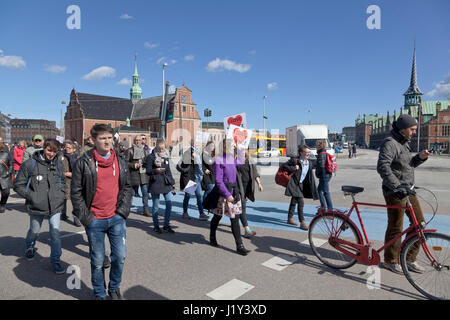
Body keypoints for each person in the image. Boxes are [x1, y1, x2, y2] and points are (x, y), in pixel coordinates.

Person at [71, 124, 132, 300]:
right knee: (98, 262)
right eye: (102, 138)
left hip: (116, 217)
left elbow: (127, 187)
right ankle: (99, 293)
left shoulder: (120, 160)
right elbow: (76, 192)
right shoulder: (83, 162)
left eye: (109, 137)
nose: (107, 141)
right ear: (93, 140)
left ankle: (114, 287)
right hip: (94, 220)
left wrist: (123, 211)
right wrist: (86, 217)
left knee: (119, 257)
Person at [377, 114, 429, 274]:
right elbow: (382, 167)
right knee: (396, 226)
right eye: (412, 129)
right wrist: (397, 186)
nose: (414, 132)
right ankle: (390, 260)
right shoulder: (390, 143)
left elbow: (407, 165)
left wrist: (419, 158)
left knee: (420, 224)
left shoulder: (404, 143)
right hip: (394, 191)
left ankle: (409, 258)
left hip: (408, 189)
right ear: (403, 129)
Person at [14, 139, 66, 274]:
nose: (51, 154)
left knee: (55, 234)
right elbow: (18, 185)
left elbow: (62, 181)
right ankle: (30, 246)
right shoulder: (29, 164)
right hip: (36, 206)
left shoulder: (59, 163)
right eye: (49, 150)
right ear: (44, 148)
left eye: (55, 151)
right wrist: (32, 196)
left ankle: (56, 260)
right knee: (34, 231)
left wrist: (61, 195)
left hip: (55, 205)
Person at [209, 139, 249, 256]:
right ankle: (212, 237)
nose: (234, 148)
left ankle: (239, 246)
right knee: (217, 216)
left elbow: (240, 162)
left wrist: (240, 149)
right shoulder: (218, 160)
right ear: (226, 147)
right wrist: (227, 195)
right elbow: (218, 181)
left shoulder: (231, 158)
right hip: (224, 193)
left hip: (234, 191)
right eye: (232, 146)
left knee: (235, 219)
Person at [282, 145, 318, 230]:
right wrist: (294, 167)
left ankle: (289, 218)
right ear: (301, 153)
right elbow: (284, 166)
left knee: (294, 201)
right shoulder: (295, 160)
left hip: (302, 185)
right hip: (294, 183)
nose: (308, 154)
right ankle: (302, 222)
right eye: (306, 152)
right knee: (301, 202)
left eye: (309, 152)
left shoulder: (309, 163)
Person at [146, 138, 176, 234]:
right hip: (155, 183)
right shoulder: (151, 157)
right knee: (155, 206)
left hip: (165, 183)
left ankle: (166, 225)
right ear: (156, 147)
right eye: (159, 149)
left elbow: (168, 170)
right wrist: (156, 171)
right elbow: (148, 171)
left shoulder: (166, 156)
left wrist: (172, 181)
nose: (161, 150)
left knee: (169, 203)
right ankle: (156, 226)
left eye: (162, 148)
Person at [177, 142, 208, 221]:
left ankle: (201, 214)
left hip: (197, 178)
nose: (200, 145)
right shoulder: (188, 152)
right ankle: (185, 212)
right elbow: (182, 165)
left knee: (199, 196)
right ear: (194, 144)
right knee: (188, 196)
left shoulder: (199, 152)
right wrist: (191, 159)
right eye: (198, 143)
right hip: (191, 178)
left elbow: (201, 165)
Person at [236, 149, 263, 237]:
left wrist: (259, 184)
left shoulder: (250, 162)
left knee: (241, 208)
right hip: (238, 187)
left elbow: (255, 174)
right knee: (242, 207)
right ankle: (247, 229)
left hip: (247, 188)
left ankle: (239, 224)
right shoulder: (235, 162)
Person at [126, 135, 151, 217]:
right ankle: (126, 210)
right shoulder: (129, 150)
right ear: (134, 141)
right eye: (136, 140)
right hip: (134, 175)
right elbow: (125, 163)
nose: (138, 142)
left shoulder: (145, 150)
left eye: (140, 140)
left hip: (143, 174)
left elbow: (147, 161)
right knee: (131, 194)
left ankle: (146, 210)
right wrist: (134, 165)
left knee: (145, 193)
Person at [61, 140, 81, 227]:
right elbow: (56, 169)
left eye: (69, 147)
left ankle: (76, 219)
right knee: (63, 199)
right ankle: (63, 214)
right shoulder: (61, 157)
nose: (67, 149)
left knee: (75, 201)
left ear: (74, 149)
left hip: (74, 182)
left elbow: (82, 170)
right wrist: (64, 173)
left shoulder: (78, 158)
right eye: (66, 147)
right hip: (63, 181)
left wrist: (75, 174)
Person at [315, 139, 333, 212]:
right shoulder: (323, 153)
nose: (315, 147)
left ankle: (329, 210)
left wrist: (320, 175)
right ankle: (324, 207)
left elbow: (321, 167)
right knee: (320, 191)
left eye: (316, 145)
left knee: (325, 192)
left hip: (324, 175)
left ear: (319, 146)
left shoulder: (321, 154)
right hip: (326, 175)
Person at [0, 142, 13, 213]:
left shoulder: (6, 154)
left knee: (6, 192)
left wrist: (9, 172)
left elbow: (11, 164)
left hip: (4, 176)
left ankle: (2, 204)